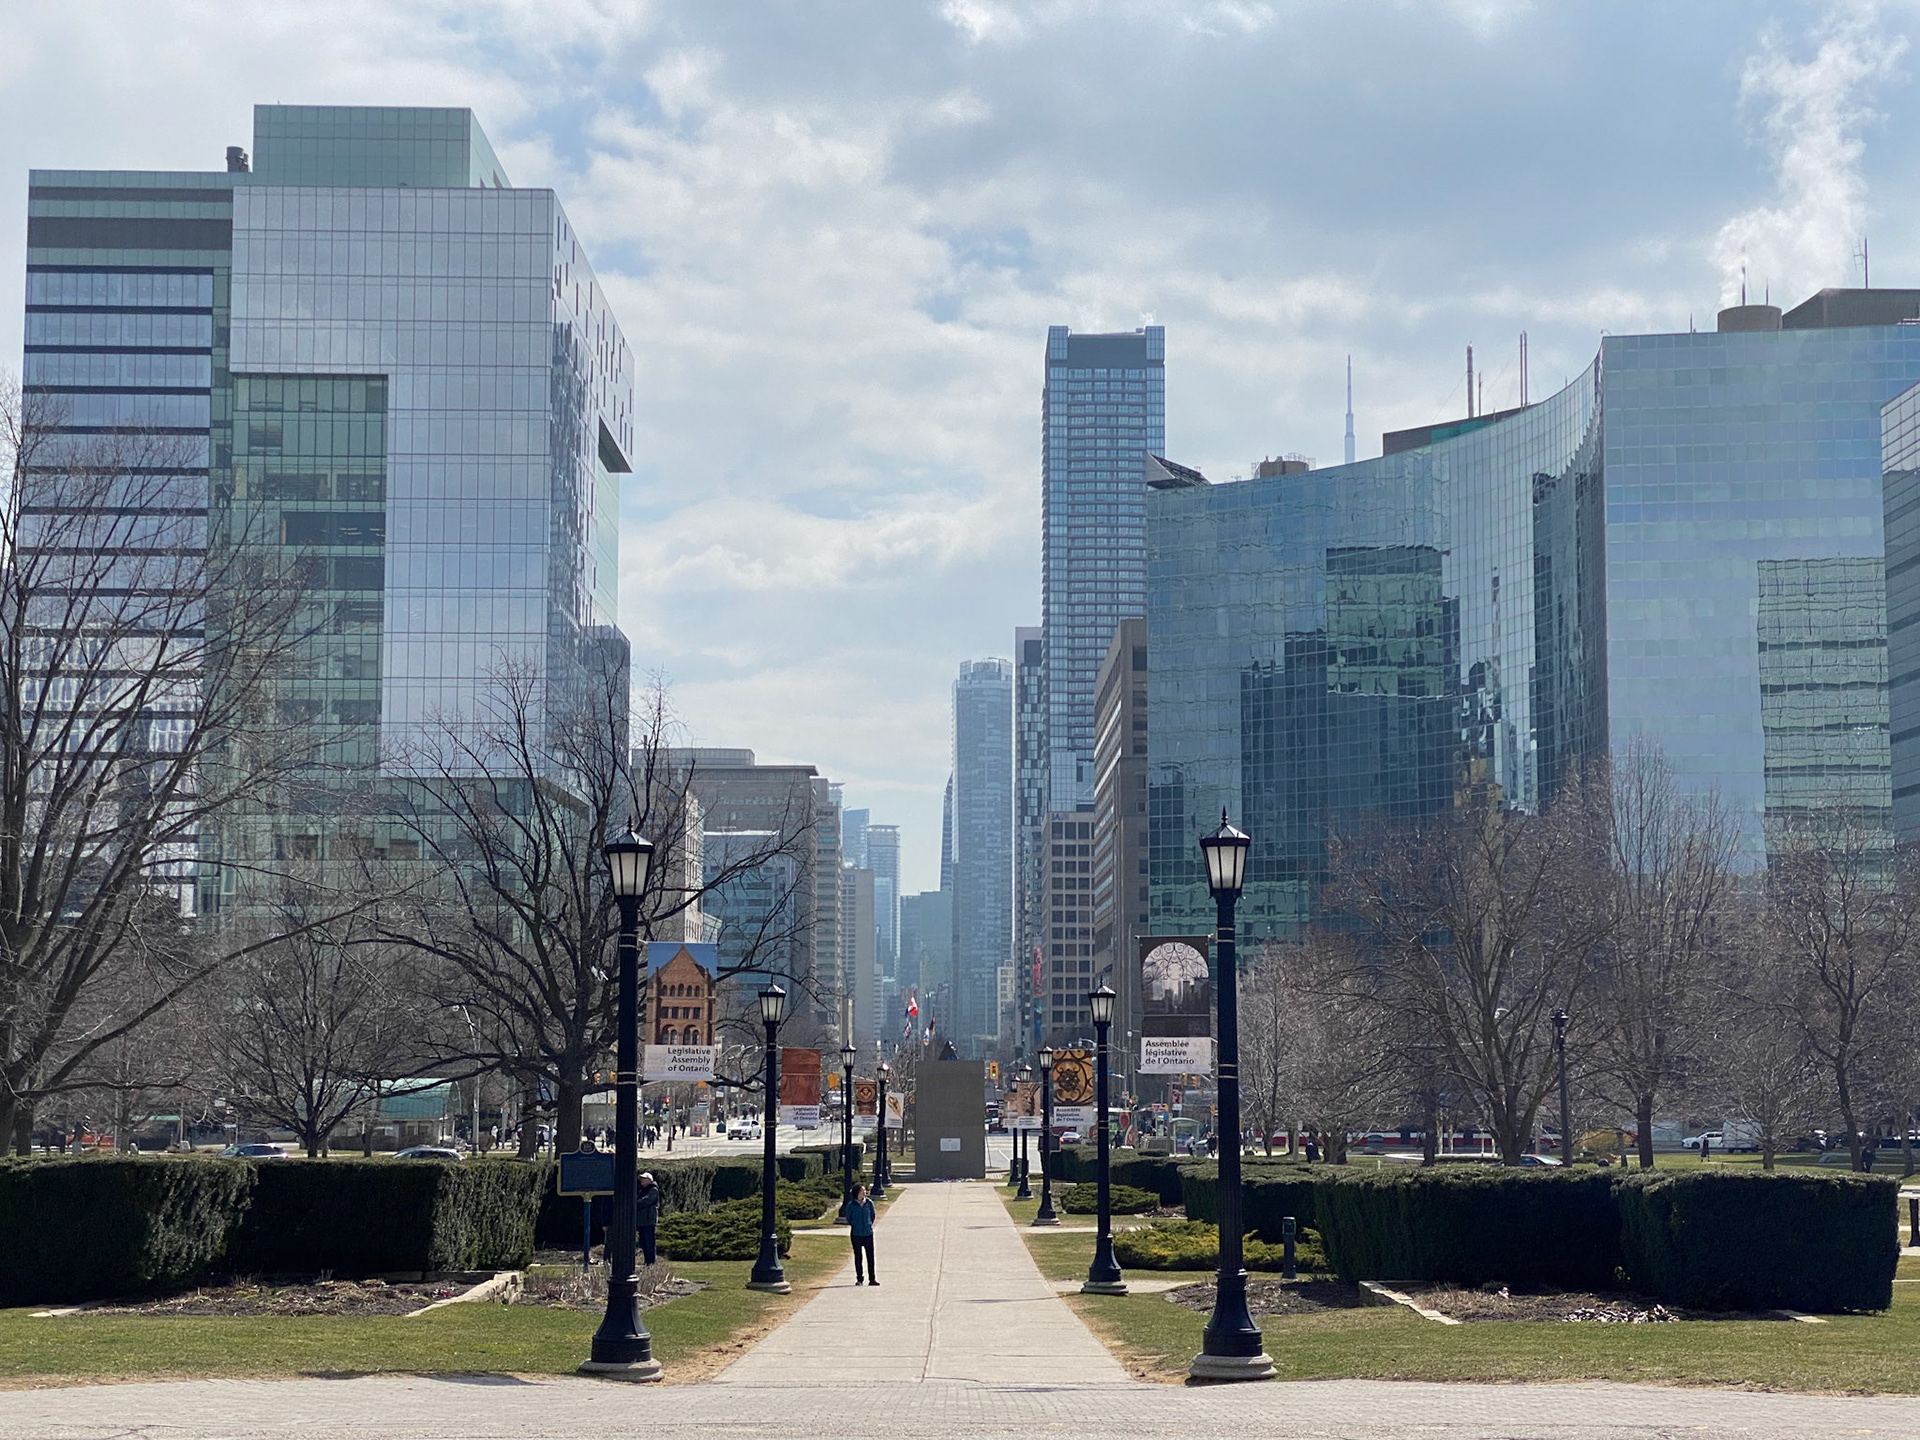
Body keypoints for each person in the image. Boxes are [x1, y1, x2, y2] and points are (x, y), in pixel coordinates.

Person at [841, 1182, 877, 1286]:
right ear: (857, 1193)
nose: (864, 1193)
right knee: (858, 1257)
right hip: (856, 1234)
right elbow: (849, 1218)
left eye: (865, 1191)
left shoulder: (869, 1203)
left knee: (870, 1257)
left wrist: (868, 1225)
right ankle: (859, 1279)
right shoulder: (851, 1205)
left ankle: (872, 1279)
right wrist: (856, 1225)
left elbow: (872, 1215)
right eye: (862, 1191)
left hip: (868, 1233)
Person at [636, 1171, 661, 1265]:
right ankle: (647, 1262)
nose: (641, 1180)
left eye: (644, 1179)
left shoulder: (653, 1190)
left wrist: (636, 1203)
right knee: (644, 1243)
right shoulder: (641, 1190)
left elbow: (647, 1201)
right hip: (641, 1221)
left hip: (649, 1220)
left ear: (649, 1180)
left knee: (650, 1243)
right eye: (641, 1178)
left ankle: (651, 1263)